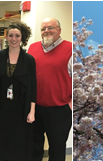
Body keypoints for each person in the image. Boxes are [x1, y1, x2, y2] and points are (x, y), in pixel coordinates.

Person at [0, 21, 37, 161]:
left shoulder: (29, 59)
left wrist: (32, 111)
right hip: (1, 107)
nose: (13, 39)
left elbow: (33, 85)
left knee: (19, 142)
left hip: (21, 107)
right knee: (0, 141)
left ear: (22, 38)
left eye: (17, 35)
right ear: (6, 37)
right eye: (10, 35)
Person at [28, 17, 72, 161]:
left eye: (50, 28)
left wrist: (71, 105)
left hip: (59, 110)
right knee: (34, 147)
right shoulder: (32, 48)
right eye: (43, 29)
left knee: (57, 149)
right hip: (35, 108)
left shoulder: (71, 49)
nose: (46, 31)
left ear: (59, 30)